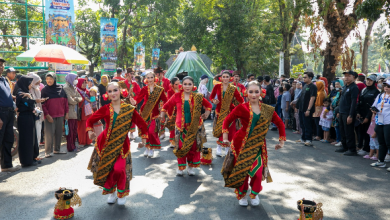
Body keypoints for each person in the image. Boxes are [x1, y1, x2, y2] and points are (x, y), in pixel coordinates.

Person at [221, 81, 285, 207]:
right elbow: (227, 120)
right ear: (246, 93)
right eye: (251, 91)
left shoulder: (267, 110)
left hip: (258, 145)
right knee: (242, 172)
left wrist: (281, 142)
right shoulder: (241, 108)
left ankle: (254, 194)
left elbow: (280, 123)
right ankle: (243, 194)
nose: (254, 94)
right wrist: (225, 137)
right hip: (241, 145)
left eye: (257, 91)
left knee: (257, 171)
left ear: (261, 93)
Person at [87, 82, 148, 205]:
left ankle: (121, 192)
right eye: (109, 91)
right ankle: (111, 192)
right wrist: (89, 131)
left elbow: (142, 124)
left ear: (120, 91)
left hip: (121, 145)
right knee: (108, 169)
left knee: (119, 169)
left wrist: (144, 140)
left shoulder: (129, 109)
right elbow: (90, 120)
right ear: (107, 94)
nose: (113, 93)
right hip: (105, 144)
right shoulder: (105, 109)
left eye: (115, 90)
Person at [161, 76, 212, 175]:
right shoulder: (177, 96)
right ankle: (181, 167)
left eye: (189, 84)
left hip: (195, 127)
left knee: (193, 148)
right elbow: (166, 106)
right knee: (180, 147)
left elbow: (209, 106)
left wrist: (207, 113)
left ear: (193, 85)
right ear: (182, 85)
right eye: (185, 84)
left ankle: (190, 167)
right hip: (181, 127)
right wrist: (162, 116)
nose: (187, 86)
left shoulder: (198, 96)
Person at [131, 72, 167, 158]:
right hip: (145, 113)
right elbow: (138, 99)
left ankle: (151, 148)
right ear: (146, 79)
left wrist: (161, 108)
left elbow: (166, 100)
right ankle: (147, 147)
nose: (150, 79)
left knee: (152, 132)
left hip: (155, 114)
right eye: (148, 77)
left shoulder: (159, 89)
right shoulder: (144, 89)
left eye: (151, 77)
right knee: (145, 132)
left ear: (154, 78)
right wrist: (134, 102)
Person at [210, 71, 244, 157]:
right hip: (219, 111)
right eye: (223, 77)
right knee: (221, 130)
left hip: (230, 112)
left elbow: (240, 99)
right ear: (221, 78)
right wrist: (214, 101)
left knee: (231, 130)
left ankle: (227, 148)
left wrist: (245, 107)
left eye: (227, 77)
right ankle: (218, 147)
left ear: (230, 78)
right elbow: (211, 97)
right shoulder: (217, 86)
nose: (225, 78)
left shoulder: (233, 88)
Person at [16, 76, 45, 167]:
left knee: (32, 139)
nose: (31, 85)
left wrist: (30, 98)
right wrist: (30, 98)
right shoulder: (21, 93)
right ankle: (26, 161)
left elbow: (30, 104)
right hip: (24, 118)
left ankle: (32, 158)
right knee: (26, 140)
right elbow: (28, 105)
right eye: (29, 83)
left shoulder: (26, 92)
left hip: (29, 117)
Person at [0, 58, 21, 172]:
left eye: (2, 65)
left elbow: (7, 95)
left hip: (9, 112)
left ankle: (6, 165)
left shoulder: (4, 80)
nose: (1, 67)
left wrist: (14, 102)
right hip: (1, 113)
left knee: (8, 139)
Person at [41, 73, 69, 157]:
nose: (49, 81)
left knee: (59, 133)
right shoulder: (44, 90)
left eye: (51, 79)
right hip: (50, 115)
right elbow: (43, 104)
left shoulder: (61, 88)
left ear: (54, 79)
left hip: (60, 114)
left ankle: (57, 149)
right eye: (47, 79)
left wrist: (66, 113)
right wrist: (47, 115)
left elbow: (65, 101)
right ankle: (48, 151)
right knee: (49, 133)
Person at [335, 71, 359, 156]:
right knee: (342, 130)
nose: (346, 77)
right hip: (342, 112)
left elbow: (353, 103)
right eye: (345, 76)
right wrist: (338, 111)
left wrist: (350, 115)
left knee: (349, 131)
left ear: (354, 77)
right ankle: (344, 146)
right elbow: (342, 100)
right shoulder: (345, 87)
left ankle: (352, 149)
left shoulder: (354, 87)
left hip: (348, 113)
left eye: (349, 76)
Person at [356, 74, 380, 156]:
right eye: (368, 80)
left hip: (370, 116)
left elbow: (374, 106)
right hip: (361, 115)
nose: (368, 82)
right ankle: (361, 146)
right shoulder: (363, 90)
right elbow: (359, 102)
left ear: (374, 82)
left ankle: (367, 149)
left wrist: (367, 117)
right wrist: (358, 112)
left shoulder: (376, 92)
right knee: (361, 132)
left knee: (368, 133)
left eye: (371, 80)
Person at [370, 79, 390, 172]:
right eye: (385, 86)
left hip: (388, 122)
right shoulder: (380, 95)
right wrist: (373, 110)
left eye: (388, 86)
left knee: (388, 142)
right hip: (379, 121)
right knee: (381, 142)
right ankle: (381, 161)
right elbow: (375, 106)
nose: (386, 87)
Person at [63, 73, 82, 152]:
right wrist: (76, 99)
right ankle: (70, 147)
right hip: (69, 112)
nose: (76, 80)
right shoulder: (66, 87)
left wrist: (75, 98)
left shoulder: (74, 87)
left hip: (74, 112)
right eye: (75, 79)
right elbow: (70, 101)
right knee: (70, 131)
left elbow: (81, 98)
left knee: (74, 131)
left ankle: (73, 146)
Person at [296, 72, 317, 146]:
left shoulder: (313, 87)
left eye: (305, 77)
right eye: (303, 77)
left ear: (310, 78)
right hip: (301, 108)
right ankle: (303, 138)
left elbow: (312, 98)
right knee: (302, 124)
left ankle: (308, 139)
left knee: (307, 124)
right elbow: (301, 97)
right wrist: (297, 106)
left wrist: (308, 109)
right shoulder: (305, 85)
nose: (303, 78)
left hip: (307, 109)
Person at [27, 73, 44, 146]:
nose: (38, 84)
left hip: (38, 114)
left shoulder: (37, 89)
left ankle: (36, 152)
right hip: (31, 115)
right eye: (37, 82)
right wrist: (35, 101)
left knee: (38, 134)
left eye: (39, 82)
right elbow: (27, 103)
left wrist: (41, 101)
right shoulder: (27, 91)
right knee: (33, 135)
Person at [124, 68, 141, 140]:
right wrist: (127, 94)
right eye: (131, 73)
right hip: (124, 102)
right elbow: (120, 92)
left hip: (133, 102)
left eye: (133, 74)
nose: (132, 75)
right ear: (127, 74)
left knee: (132, 117)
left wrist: (132, 94)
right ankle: (125, 132)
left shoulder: (135, 83)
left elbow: (139, 92)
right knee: (125, 117)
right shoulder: (122, 83)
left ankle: (131, 132)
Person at [76, 78, 93, 148]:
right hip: (81, 111)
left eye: (85, 83)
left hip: (88, 111)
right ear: (79, 83)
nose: (84, 84)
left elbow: (92, 100)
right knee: (81, 127)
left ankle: (89, 141)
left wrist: (92, 98)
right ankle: (82, 142)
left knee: (88, 126)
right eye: (82, 83)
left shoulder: (87, 91)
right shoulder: (77, 91)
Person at [166, 77, 181, 148]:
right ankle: (172, 141)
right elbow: (169, 101)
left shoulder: (182, 90)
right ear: (172, 84)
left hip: (181, 110)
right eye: (176, 84)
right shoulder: (170, 91)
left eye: (179, 83)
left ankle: (180, 140)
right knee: (172, 126)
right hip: (173, 111)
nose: (178, 85)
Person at [330, 79, 344, 146]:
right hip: (335, 111)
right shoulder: (337, 92)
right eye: (335, 84)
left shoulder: (342, 92)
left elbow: (341, 103)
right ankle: (337, 139)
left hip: (339, 111)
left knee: (339, 126)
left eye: (338, 84)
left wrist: (339, 111)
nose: (336, 86)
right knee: (336, 126)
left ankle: (340, 140)